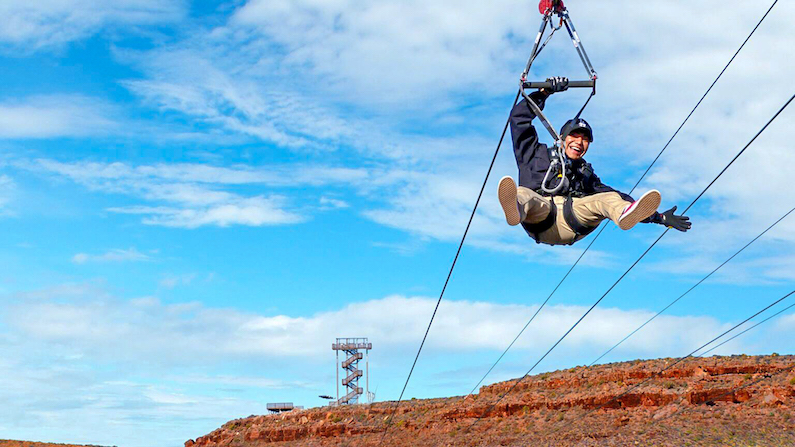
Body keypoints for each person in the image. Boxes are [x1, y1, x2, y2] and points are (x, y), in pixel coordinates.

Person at [498, 77, 691, 246]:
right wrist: (543, 92)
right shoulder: (535, 154)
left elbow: (617, 194)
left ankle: (622, 214)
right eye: (574, 136)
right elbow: (519, 120)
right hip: (540, 218)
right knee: (523, 194)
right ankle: (515, 208)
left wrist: (660, 218)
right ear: (563, 138)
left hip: (570, 223)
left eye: (585, 139)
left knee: (608, 199)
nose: (579, 143)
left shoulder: (584, 174)